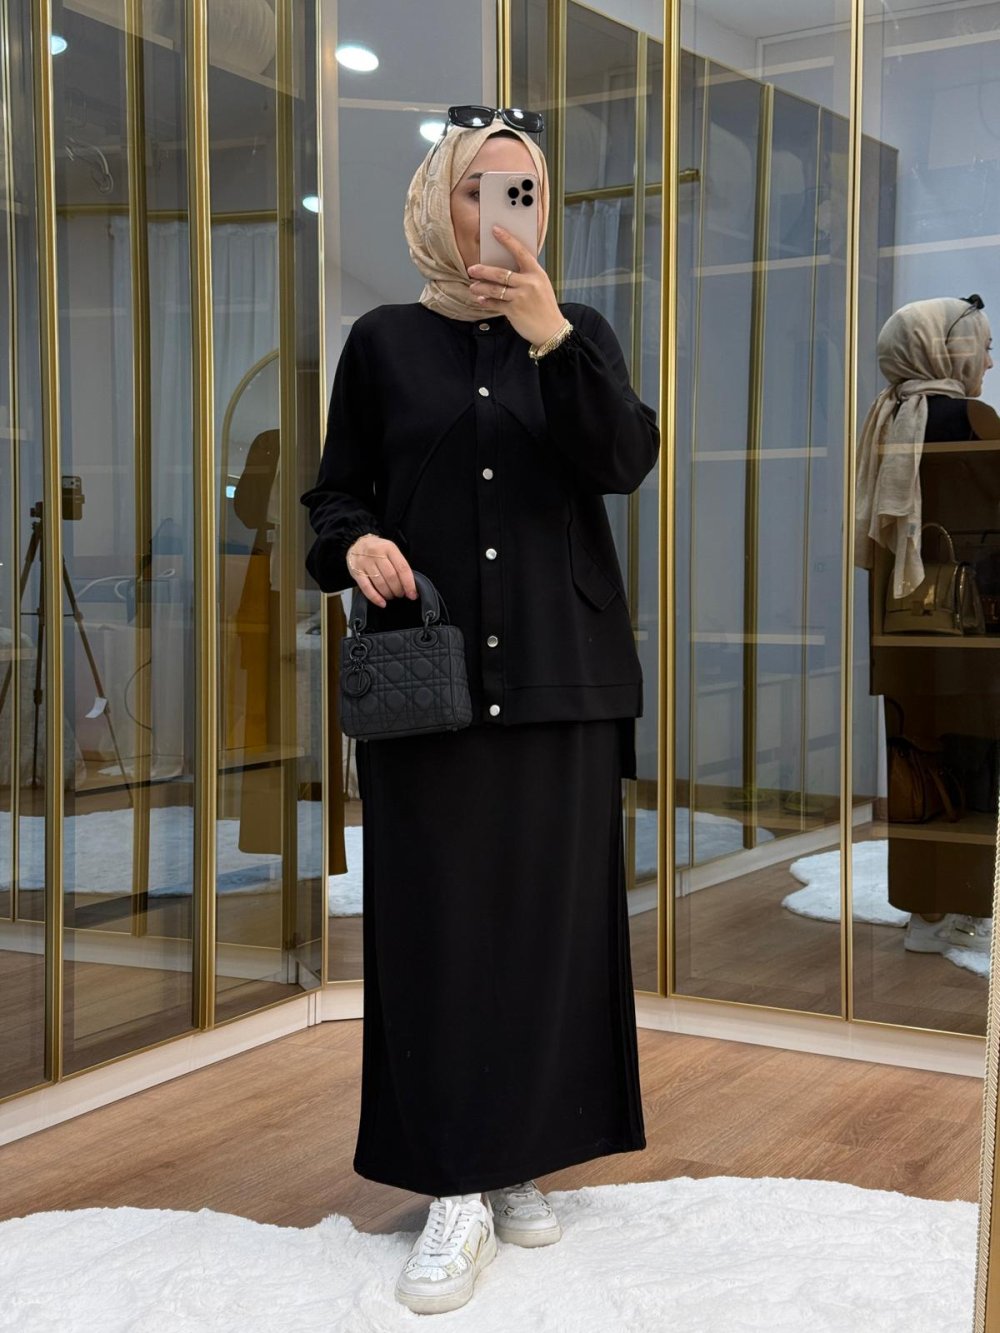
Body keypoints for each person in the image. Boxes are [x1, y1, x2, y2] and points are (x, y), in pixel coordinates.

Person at [301, 106, 658, 1316]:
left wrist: (552, 338)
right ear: (438, 203)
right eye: (480, 189)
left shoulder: (578, 333)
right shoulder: (383, 342)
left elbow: (623, 460)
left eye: (525, 191)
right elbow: (332, 498)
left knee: (548, 932)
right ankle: (456, 1182)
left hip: (563, 677)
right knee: (438, 931)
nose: (506, 212)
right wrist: (357, 545)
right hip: (429, 681)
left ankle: (515, 1161)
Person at [856, 295, 1000, 959]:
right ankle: (975, 909)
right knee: (975, 771)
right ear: (948, 350)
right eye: (983, 347)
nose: (988, 362)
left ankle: (923, 912)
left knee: (914, 773)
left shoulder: (885, 418)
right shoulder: (971, 419)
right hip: (969, 633)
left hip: (901, 631)